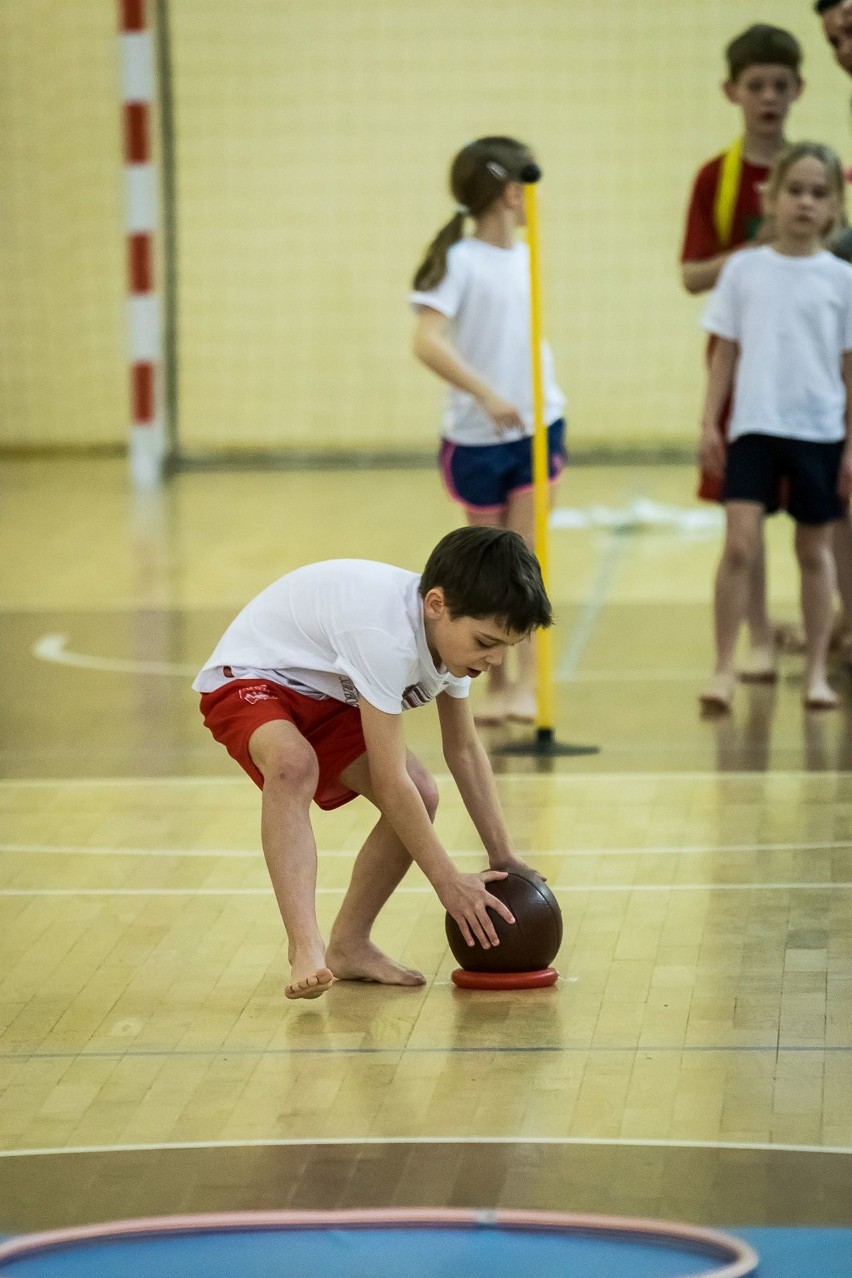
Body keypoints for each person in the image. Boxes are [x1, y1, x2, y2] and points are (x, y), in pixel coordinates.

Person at [193, 526, 550, 1001]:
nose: (495, 660)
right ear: (436, 605)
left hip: (326, 690)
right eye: (487, 642)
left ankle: (350, 945)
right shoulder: (385, 635)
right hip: (253, 673)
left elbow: (462, 749)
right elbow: (388, 777)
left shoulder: (452, 640)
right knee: (292, 764)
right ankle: (305, 945)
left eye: (507, 646)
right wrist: (448, 883)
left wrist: (503, 855)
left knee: (422, 795)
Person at [410, 136, 567, 727]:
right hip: (476, 438)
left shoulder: (528, 256)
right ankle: (491, 686)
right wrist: (486, 394)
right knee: (487, 569)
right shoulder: (460, 260)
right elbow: (426, 341)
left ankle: (527, 684)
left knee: (525, 561)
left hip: (537, 429)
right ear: (510, 190)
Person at [698, 142, 852, 714]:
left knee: (815, 552)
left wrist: (849, 446)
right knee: (739, 546)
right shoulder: (744, 270)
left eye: (819, 193)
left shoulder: (841, 279)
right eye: (795, 190)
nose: (806, 203)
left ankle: (816, 672)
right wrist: (709, 422)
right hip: (754, 427)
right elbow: (726, 353)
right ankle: (723, 667)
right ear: (772, 197)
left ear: (835, 205)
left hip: (818, 432)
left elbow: (848, 368)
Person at [680, 24, 804, 681]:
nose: (768, 97)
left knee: (824, 512)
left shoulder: (822, 174)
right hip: (742, 374)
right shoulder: (718, 179)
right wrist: (755, 253)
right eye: (756, 85)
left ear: (800, 90)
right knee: (746, 519)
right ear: (732, 90)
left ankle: (828, 632)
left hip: (811, 369)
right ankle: (757, 640)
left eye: (780, 85)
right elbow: (693, 274)